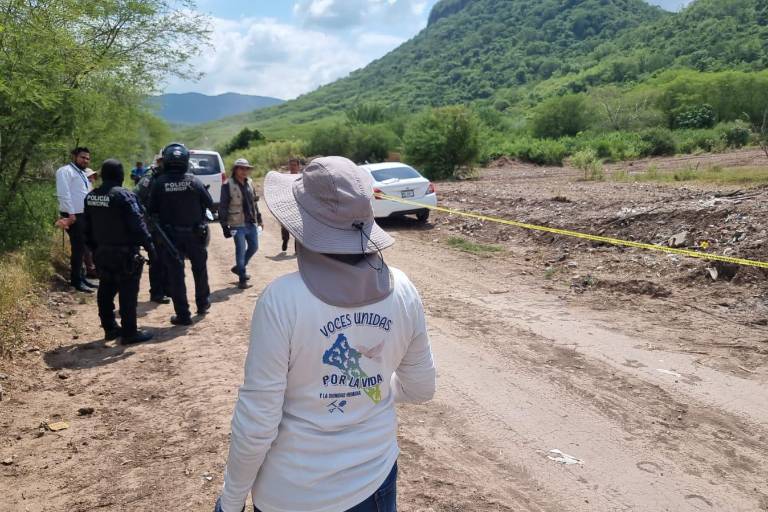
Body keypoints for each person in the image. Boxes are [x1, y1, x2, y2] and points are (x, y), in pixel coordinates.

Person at [215, 156, 436, 512]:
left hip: (291, 494)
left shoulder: (281, 300)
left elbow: (258, 421)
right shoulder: (404, 289)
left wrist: (231, 499)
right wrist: (369, 388)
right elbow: (422, 388)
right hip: (374, 482)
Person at [83, 159, 155, 344]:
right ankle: (130, 332)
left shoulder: (91, 197)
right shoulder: (124, 196)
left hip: (102, 253)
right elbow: (137, 225)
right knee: (127, 293)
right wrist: (150, 247)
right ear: (120, 175)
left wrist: (95, 249)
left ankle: (110, 329)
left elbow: (86, 228)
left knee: (106, 290)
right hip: (125, 254)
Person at [149, 143, 213, 326]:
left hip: (171, 237)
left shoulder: (159, 183)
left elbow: (151, 209)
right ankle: (202, 303)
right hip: (195, 235)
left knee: (176, 276)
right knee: (199, 270)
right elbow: (209, 202)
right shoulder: (194, 181)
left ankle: (183, 315)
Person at [55, 147, 98, 293]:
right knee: (78, 249)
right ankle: (76, 281)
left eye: (87, 158)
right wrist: (71, 214)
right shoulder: (65, 171)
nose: (85, 160)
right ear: (74, 156)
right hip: (73, 215)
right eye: (82, 157)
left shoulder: (81, 172)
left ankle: (82, 277)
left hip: (83, 214)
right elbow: (64, 194)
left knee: (83, 248)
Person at [219, 158, 264, 289]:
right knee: (240, 251)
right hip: (236, 223)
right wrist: (224, 225)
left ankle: (239, 268)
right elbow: (223, 206)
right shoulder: (228, 185)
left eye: (246, 169)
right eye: (241, 168)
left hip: (250, 222)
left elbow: (254, 203)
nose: (244, 171)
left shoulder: (250, 182)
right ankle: (242, 279)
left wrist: (259, 219)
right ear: (235, 170)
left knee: (254, 247)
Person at [134, 155, 171, 304]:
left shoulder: (173, 174)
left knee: (169, 258)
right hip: (154, 225)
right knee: (157, 259)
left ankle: (167, 289)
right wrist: (146, 214)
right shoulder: (150, 176)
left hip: (169, 223)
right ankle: (156, 292)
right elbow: (136, 195)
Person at [280, 157, 303, 252]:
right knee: (285, 226)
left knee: (298, 227)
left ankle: (297, 248)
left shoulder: (302, 178)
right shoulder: (284, 177)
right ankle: (285, 240)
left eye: (294, 165)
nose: (292, 167)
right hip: (286, 204)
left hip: (298, 205)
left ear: (298, 166)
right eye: (291, 165)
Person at [83, 168, 99, 279]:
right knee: (86, 245)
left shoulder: (90, 186)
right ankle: (90, 269)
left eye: (92, 176)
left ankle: (93, 267)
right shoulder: (84, 186)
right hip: (85, 217)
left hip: (91, 218)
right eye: (90, 176)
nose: (92, 178)